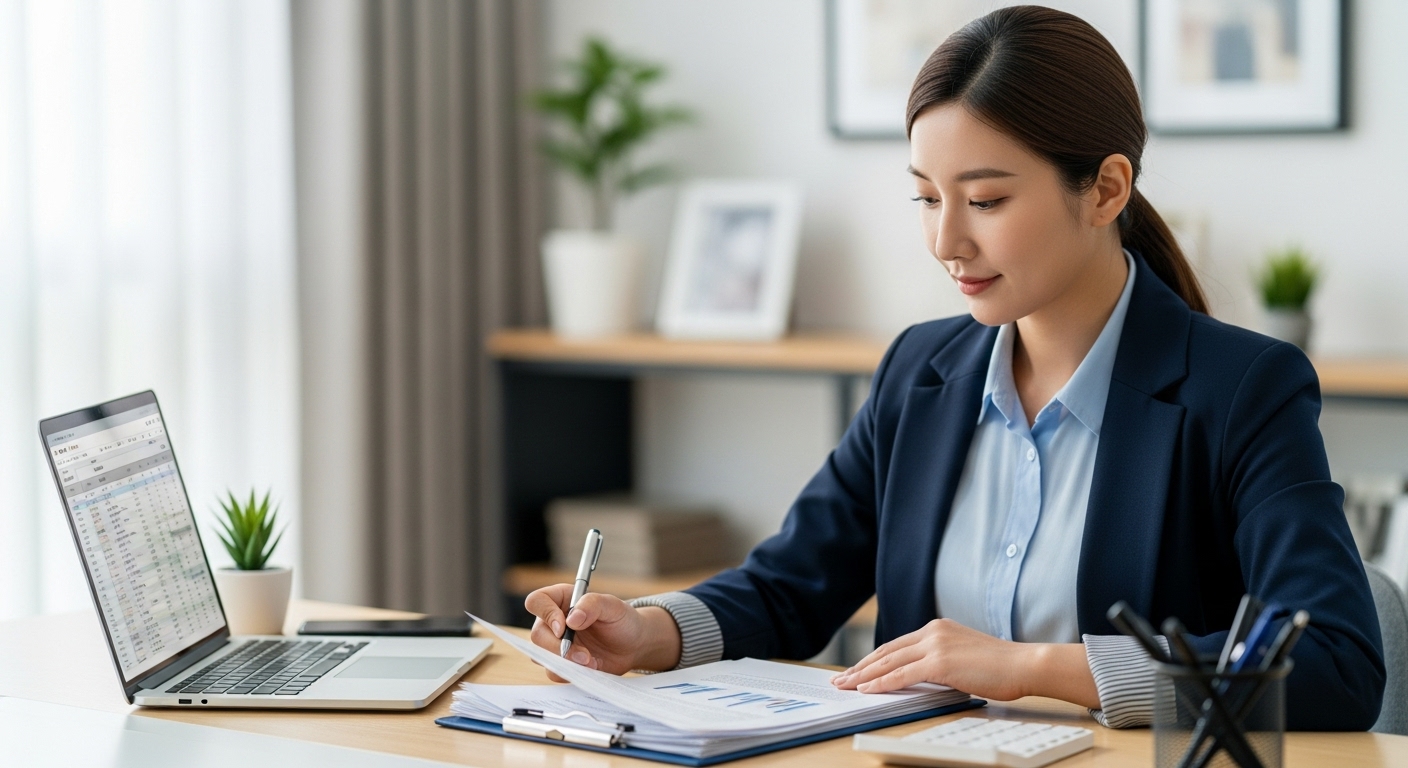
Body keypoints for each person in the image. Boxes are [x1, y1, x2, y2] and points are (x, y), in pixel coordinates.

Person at [524, 6, 1384, 729]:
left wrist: (1037, 668)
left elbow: (1336, 665)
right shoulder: (921, 370)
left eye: (985, 200)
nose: (945, 241)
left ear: (1107, 190)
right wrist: (649, 630)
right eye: (927, 198)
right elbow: (792, 584)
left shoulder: (1242, 390)